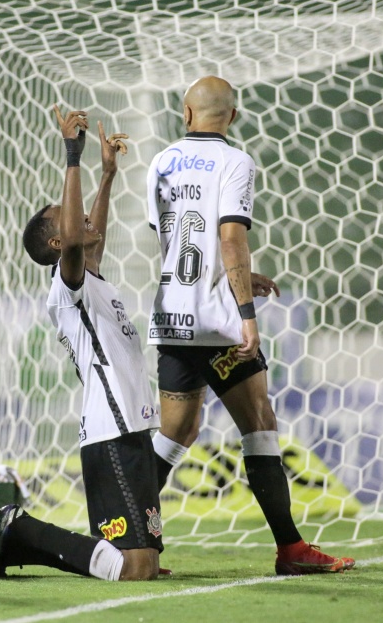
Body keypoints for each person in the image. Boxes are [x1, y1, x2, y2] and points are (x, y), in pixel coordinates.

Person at [144, 75, 356, 576]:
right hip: (219, 324)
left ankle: (119, 537)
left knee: (176, 433)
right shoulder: (235, 161)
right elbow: (231, 238)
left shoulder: (161, 161)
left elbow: (176, 243)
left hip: (174, 317)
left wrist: (232, 279)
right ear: (232, 117)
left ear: (186, 113)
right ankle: (291, 549)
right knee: (259, 424)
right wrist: (246, 314)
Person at [0, 106, 161, 582]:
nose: (84, 219)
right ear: (55, 245)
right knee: (135, 570)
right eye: (69, 218)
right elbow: (75, 240)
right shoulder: (65, 287)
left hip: (131, 428)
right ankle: (19, 531)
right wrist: (74, 156)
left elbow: (91, 235)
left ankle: (27, 536)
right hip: (111, 430)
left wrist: (107, 175)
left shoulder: (92, 279)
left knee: (144, 561)